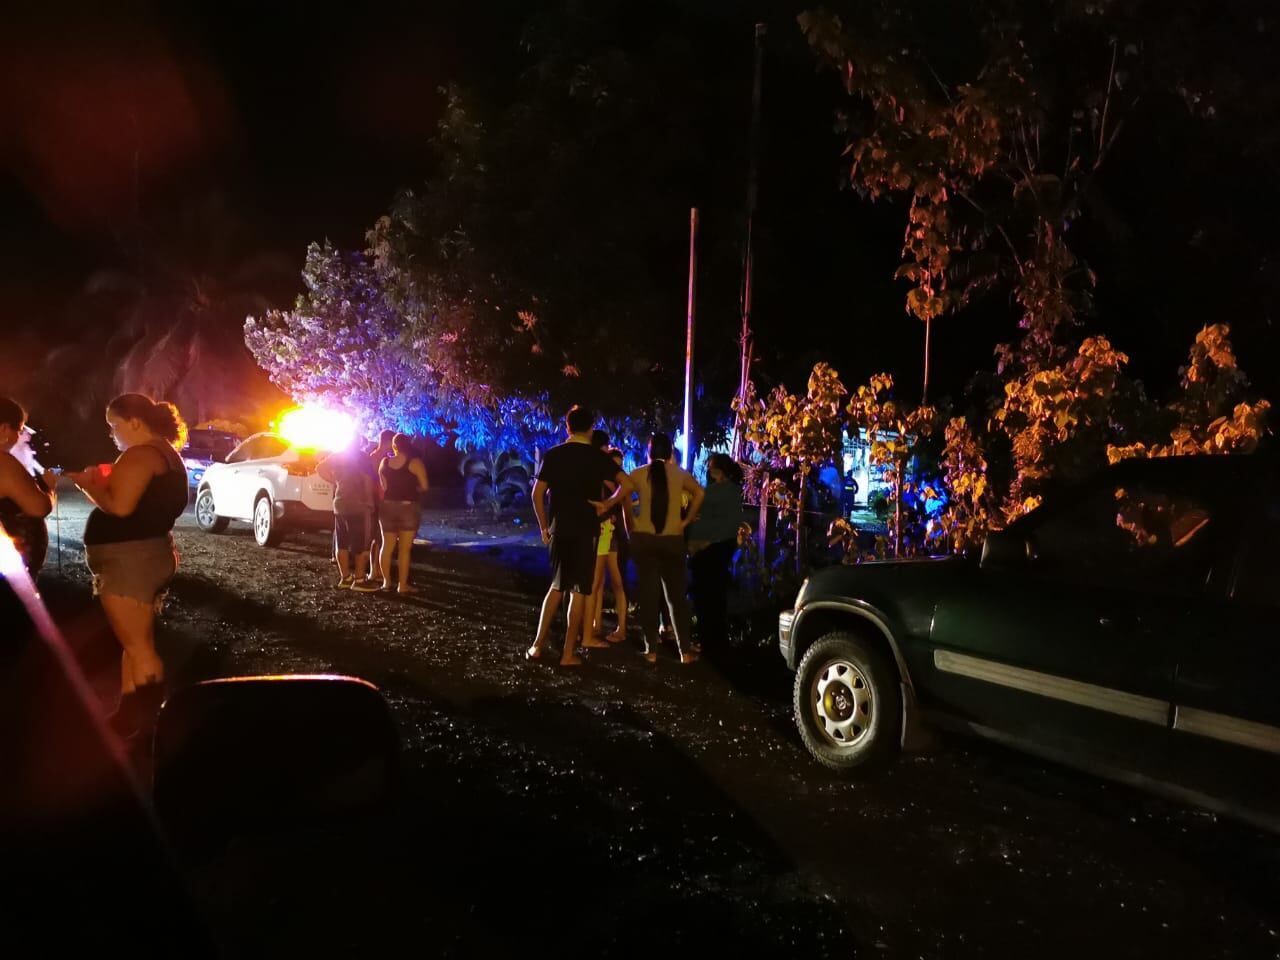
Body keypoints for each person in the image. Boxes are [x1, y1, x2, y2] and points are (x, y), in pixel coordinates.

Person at [64, 394, 188, 738]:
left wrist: (88, 485)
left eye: (114, 425)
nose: (112, 433)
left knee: (139, 648)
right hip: (146, 555)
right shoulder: (165, 453)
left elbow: (119, 507)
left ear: (134, 422)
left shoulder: (142, 454)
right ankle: (129, 715)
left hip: (131, 560)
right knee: (136, 643)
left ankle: (150, 725)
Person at [527, 406, 632, 667]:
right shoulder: (597, 457)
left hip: (559, 528)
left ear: (567, 427)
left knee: (556, 586)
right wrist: (608, 504)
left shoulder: (554, 454)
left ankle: (537, 646)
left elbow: (536, 494)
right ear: (591, 428)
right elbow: (628, 484)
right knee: (579, 591)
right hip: (586, 530)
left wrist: (544, 527)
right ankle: (567, 654)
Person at [600, 433, 703, 664]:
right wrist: (686, 521)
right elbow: (700, 493)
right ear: (670, 453)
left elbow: (622, 494)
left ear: (649, 452)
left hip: (644, 539)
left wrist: (623, 516)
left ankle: (651, 651)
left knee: (648, 594)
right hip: (672, 539)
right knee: (676, 597)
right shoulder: (679, 474)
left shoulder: (638, 473)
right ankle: (685, 652)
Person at [687, 453, 744, 652]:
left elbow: (722, 523)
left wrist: (702, 543)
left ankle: (709, 640)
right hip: (717, 550)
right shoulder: (730, 491)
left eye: (710, 466)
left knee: (706, 596)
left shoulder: (721, 492)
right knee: (714, 595)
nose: (708, 470)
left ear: (719, 470)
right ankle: (715, 640)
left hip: (711, 550)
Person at [0, 398, 56, 575]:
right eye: (18, 430)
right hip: (9, 574)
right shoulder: (4, 464)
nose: (18, 437)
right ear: (4, 428)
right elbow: (39, 507)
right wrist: (49, 488)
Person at [318, 446, 380, 591]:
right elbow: (367, 479)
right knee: (362, 544)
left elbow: (319, 468)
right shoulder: (363, 457)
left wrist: (336, 481)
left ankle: (345, 578)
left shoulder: (337, 455)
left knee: (342, 542)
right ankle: (359, 580)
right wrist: (370, 502)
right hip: (359, 504)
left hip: (340, 503)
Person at [377, 433, 428, 594]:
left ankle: (386, 583)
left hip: (387, 508)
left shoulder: (384, 462)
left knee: (386, 546)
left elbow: (384, 487)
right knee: (404, 550)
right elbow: (425, 486)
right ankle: (402, 585)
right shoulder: (415, 463)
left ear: (394, 446)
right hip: (408, 508)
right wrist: (413, 489)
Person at [588, 447, 628, 642]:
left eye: (620, 466)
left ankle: (621, 628)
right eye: (614, 465)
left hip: (616, 536)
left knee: (617, 582)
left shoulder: (620, 487)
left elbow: (625, 511)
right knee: (597, 582)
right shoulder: (599, 483)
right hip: (602, 533)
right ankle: (595, 624)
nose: (617, 469)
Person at [366, 429, 396, 585]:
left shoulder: (378, 457)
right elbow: (371, 482)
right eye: (392, 442)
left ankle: (375, 570)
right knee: (377, 538)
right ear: (387, 442)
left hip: (379, 501)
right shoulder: (376, 459)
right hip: (377, 501)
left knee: (378, 537)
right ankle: (373, 571)